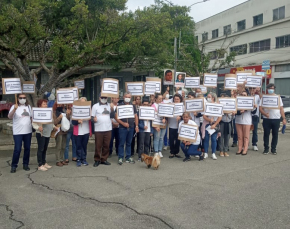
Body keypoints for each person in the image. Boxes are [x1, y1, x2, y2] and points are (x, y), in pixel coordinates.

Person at [259, 83, 286, 155]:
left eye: (272, 88)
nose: (271, 90)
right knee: (266, 134)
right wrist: (264, 114)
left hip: (276, 119)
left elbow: (281, 109)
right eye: (269, 88)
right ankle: (266, 148)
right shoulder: (264, 97)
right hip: (266, 119)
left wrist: (284, 118)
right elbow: (260, 108)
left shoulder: (278, 97)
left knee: (275, 134)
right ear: (267, 89)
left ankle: (273, 149)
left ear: (274, 89)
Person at [8, 94, 33, 173]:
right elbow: (10, 117)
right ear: (17, 98)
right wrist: (14, 109)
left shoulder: (29, 107)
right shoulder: (14, 107)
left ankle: (25, 164)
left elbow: (31, 117)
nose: (22, 99)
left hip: (28, 131)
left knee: (27, 148)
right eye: (21, 98)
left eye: (24, 98)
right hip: (18, 132)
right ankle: (14, 165)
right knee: (17, 149)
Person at [32, 99, 57, 171]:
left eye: (46, 104)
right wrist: (38, 127)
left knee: (45, 149)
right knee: (41, 149)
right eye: (44, 104)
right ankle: (40, 165)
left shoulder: (48, 112)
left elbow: (50, 122)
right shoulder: (36, 113)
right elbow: (33, 123)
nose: (45, 105)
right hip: (41, 134)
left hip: (47, 133)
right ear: (39, 105)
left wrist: (54, 127)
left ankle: (44, 162)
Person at [115, 92, 139, 165]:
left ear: (131, 98)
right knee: (121, 143)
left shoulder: (133, 106)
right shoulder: (119, 106)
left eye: (129, 97)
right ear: (123, 97)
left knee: (129, 143)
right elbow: (116, 117)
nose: (127, 98)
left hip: (131, 127)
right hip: (122, 128)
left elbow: (136, 116)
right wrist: (123, 123)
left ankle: (128, 157)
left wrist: (137, 126)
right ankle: (120, 157)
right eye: (126, 97)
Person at [92, 93, 114, 167]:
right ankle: (97, 159)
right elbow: (92, 117)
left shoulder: (109, 105)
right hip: (99, 129)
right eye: (102, 97)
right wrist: (93, 119)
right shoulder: (95, 106)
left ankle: (104, 159)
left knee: (106, 145)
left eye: (105, 97)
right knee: (98, 145)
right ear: (99, 98)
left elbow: (112, 116)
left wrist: (111, 108)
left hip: (108, 128)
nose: (104, 99)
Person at [235, 91, 257, 156]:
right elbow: (235, 111)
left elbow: (253, 112)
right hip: (238, 121)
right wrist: (240, 112)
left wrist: (255, 107)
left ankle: (245, 149)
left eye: (245, 95)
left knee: (246, 136)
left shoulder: (250, 101)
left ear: (247, 95)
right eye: (242, 94)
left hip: (247, 121)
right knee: (239, 136)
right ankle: (239, 148)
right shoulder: (237, 101)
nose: (243, 96)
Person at [72, 97, 92, 167]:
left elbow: (91, 119)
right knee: (78, 146)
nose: (82, 103)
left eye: (84, 102)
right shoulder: (75, 110)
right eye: (81, 102)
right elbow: (73, 122)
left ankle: (84, 159)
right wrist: (77, 121)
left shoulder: (89, 110)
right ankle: (78, 159)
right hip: (78, 132)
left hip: (86, 131)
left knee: (84, 146)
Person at [202, 92, 222, 160]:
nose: (208, 98)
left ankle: (213, 153)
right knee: (206, 139)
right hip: (207, 124)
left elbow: (220, 117)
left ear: (213, 98)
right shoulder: (206, 105)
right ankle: (206, 153)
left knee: (214, 139)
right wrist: (209, 119)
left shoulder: (218, 105)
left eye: (209, 97)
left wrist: (215, 124)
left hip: (215, 124)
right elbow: (204, 116)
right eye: (207, 97)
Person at [137, 97, 153, 161]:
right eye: (144, 104)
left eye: (147, 104)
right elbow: (137, 122)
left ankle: (146, 156)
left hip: (148, 130)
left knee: (147, 143)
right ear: (142, 104)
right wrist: (142, 126)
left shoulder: (151, 111)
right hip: (142, 130)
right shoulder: (139, 111)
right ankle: (140, 156)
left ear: (149, 104)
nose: (145, 105)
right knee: (141, 144)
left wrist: (151, 131)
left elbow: (152, 122)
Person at [168, 94, 183, 158]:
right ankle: (172, 152)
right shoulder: (170, 105)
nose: (176, 100)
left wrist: (180, 117)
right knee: (171, 139)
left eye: (178, 99)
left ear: (180, 100)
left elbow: (184, 114)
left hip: (179, 126)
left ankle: (176, 152)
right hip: (171, 125)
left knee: (177, 139)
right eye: (175, 99)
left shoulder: (182, 106)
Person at [152, 93, 167, 158]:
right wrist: (155, 126)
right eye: (159, 99)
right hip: (156, 124)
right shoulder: (153, 106)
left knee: (161, 138)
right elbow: (152, 117)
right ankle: (156, 151)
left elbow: (168, 113)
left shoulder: (164, 105)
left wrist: (165, 118)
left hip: (163, 124)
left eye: (161, 98)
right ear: (155, 99)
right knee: (156, 138)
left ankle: (159, 150)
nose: (161, 100)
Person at [250, 87, 261, 151]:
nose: (252, 90)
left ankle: (254, 144)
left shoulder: (257, 96)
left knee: (255, 131)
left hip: (255, 116)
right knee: (246, 132)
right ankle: (246, 144)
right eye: (251, 89)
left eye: (254, 89)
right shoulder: (247, 96)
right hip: (248, 115)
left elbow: (262, 98)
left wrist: (259, 91)